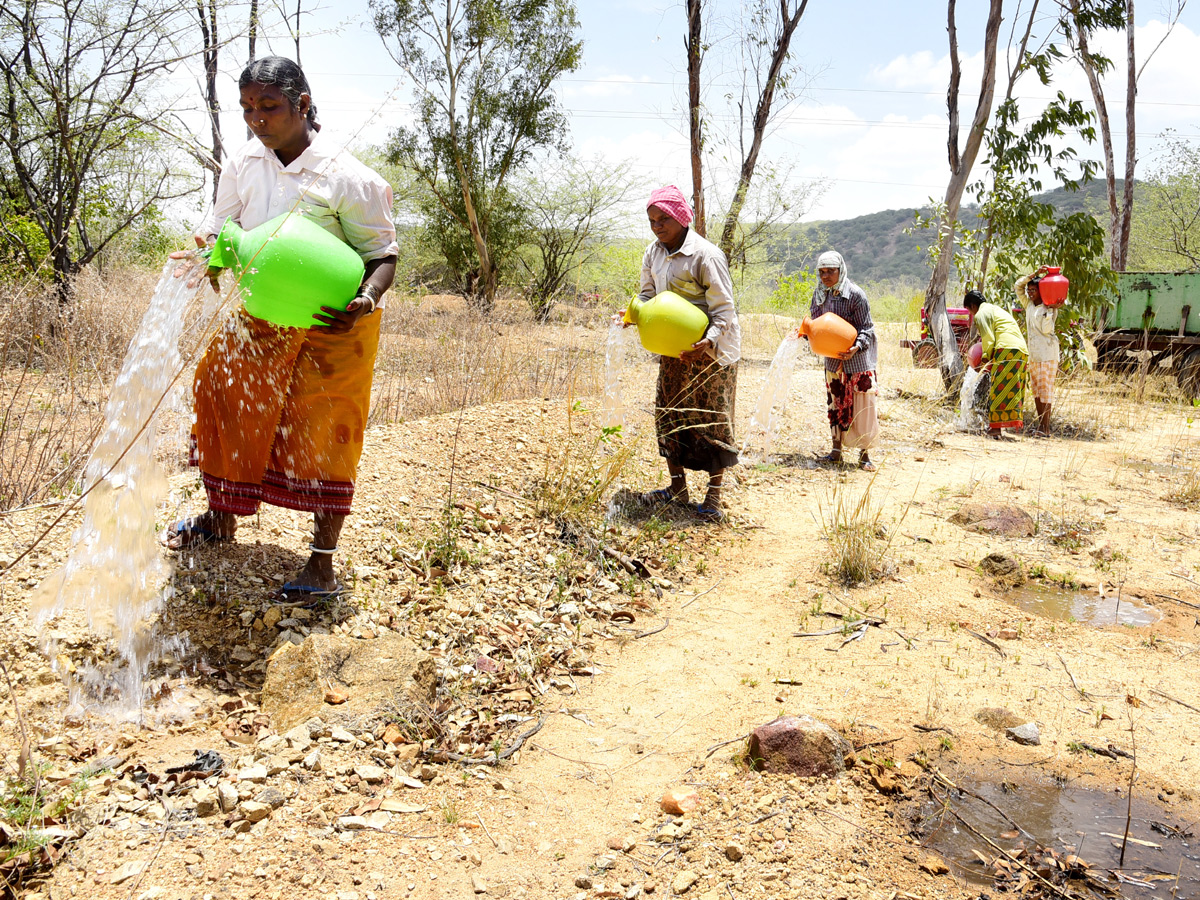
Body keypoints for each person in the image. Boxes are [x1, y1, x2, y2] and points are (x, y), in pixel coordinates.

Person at [167, 56, 398, 601]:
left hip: (332, 324)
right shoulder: (245, 162)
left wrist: (365, 300)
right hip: (261, 314)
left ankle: (321, 565)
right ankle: (221, 518)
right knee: (223, 399)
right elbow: (222, 225)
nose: (256, 119)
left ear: (303, 105)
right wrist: (208, 254)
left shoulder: (350, 177)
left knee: (328, 429)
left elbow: (382, 253)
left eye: (269, 106)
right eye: (248, 107)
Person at [624, 185, 741, 522]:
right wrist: (633, 314)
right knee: (669, 413)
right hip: (674, 346)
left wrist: (709, 340)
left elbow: (724, 309)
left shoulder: (706, 255)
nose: (657, 226)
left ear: (680, 217)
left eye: (663, 219)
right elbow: (647, 296)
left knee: (711, 419)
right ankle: (677, 487)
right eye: (651, 220)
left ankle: (714, 497)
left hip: (711, 350)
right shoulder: (653, 254)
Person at [810, 251, 878, 472]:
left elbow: (867, 328)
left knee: (862, 406)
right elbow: (816, 323)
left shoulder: (856, 295)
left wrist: (856, 347)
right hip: (832, 362)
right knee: (835, 404)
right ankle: (836, 451)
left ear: (841, 270)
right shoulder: (820, 295)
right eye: (822, 272)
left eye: (831, 271)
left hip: (858, 362)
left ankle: (864, 454)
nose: (826, 276)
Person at [963, 289, 1028, 438]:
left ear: (973, 306)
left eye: (969, 310)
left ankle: (995, 428)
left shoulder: (981, 314)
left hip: (1006, 349)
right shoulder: (994, 309)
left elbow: (988, 339)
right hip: (1020, 350)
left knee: (998, 389)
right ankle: (1003, 426)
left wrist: (985, 359)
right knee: (1011, 391)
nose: (972, 314)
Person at [1018, 266, 1058, 436]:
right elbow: (1017, 286)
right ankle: (1041, 427)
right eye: (1029, 291)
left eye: (1034, 290)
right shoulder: (1028, 306)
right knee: (1036, 391)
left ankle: (1046, 428)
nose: (1030, 293)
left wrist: (1050, 311)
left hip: (1048, 354)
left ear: (1041, 291)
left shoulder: (1048, 308)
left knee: (1045, 391)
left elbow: (1047, 330)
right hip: (1034, 355)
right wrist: (1034, 274)